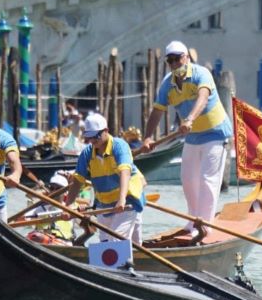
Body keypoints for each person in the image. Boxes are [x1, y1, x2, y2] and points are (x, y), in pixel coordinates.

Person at [142, 41, 232, 241]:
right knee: (188, 178)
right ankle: (193, 219)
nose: (174, 63)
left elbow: (203, 98)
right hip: (192, 136)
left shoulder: (201, 74)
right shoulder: (167, 84)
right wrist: (148, 137)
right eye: (170, 60)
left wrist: (190, 119)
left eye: (178, 58)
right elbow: (157, 111)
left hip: (216, 133)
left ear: (187, 58)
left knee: (208, 180)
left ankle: (205, 224)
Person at [64, 113, 147, 245]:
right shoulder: (86, 153)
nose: (92, 140)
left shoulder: (119, 146)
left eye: (95, 136)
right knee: (111, 243)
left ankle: (127, 261)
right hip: (104, 203)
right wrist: (68, 207)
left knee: (116, 241)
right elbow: (78, 181)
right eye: (88, 137)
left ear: (106, 131)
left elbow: (125, 172)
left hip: (128, 200)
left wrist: (122, 199)